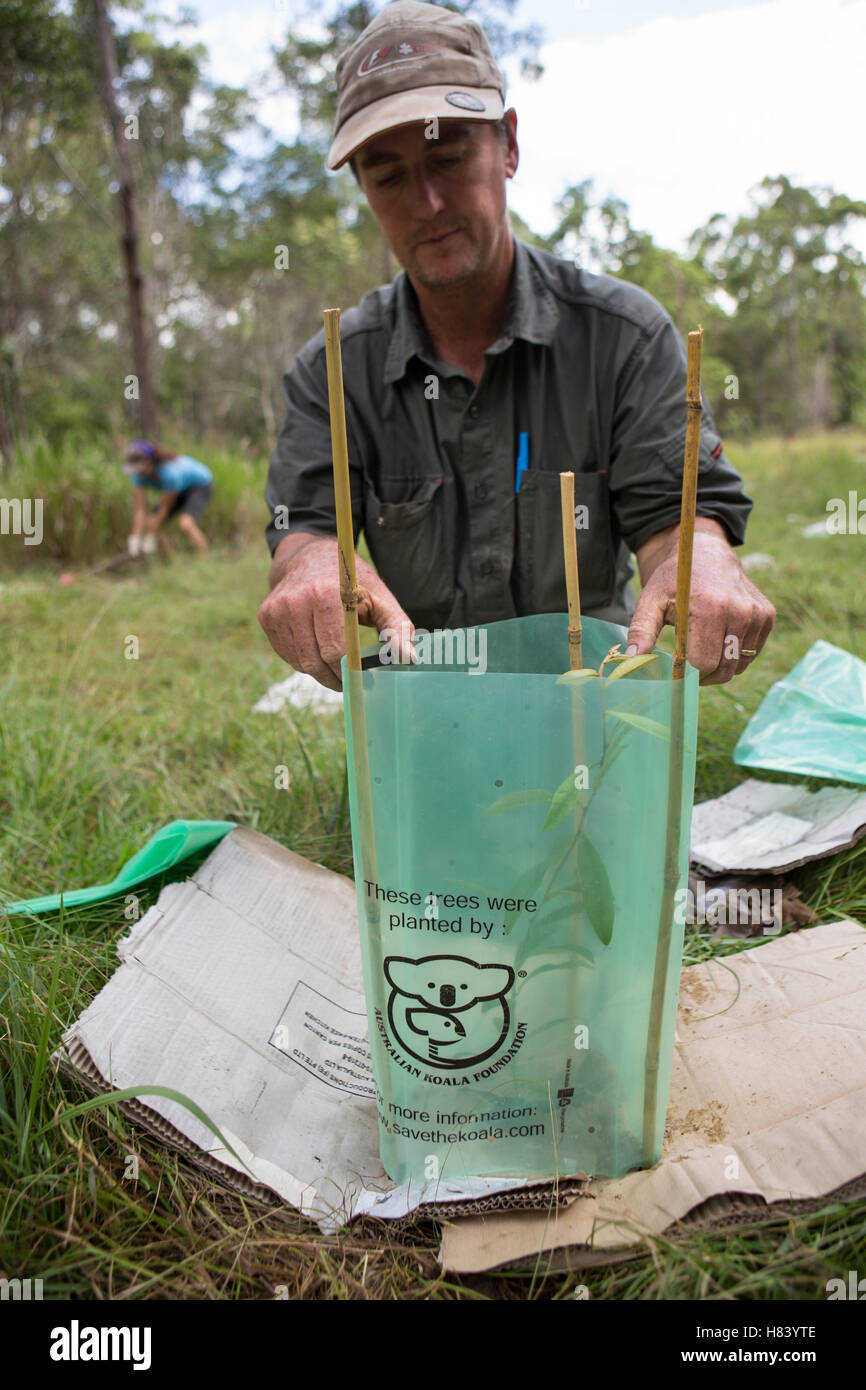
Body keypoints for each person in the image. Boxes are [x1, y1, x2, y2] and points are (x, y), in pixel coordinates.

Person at [258, 0, 775, 692]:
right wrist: (314, 564)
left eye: (447, 157)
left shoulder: (624, 337)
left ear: (508, 146)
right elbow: (305, 528)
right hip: (424, 719)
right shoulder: (334, 367)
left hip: (591, 710)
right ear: (362, 189)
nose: (428, 202)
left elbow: (672, 522)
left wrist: (703, 561)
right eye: (388, 177)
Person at [123, 441, 213, 554]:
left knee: (186, 524)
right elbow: (140, 509)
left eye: (140, 468)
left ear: (150, 462)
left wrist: (150, 536)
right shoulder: (138, 475)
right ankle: (174, 563)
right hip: (178, 489)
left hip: (199, 485)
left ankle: (205, 559)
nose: (138, 472)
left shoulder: (169, 474)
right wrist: (135, 538)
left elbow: (164, 509)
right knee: (150, 523)